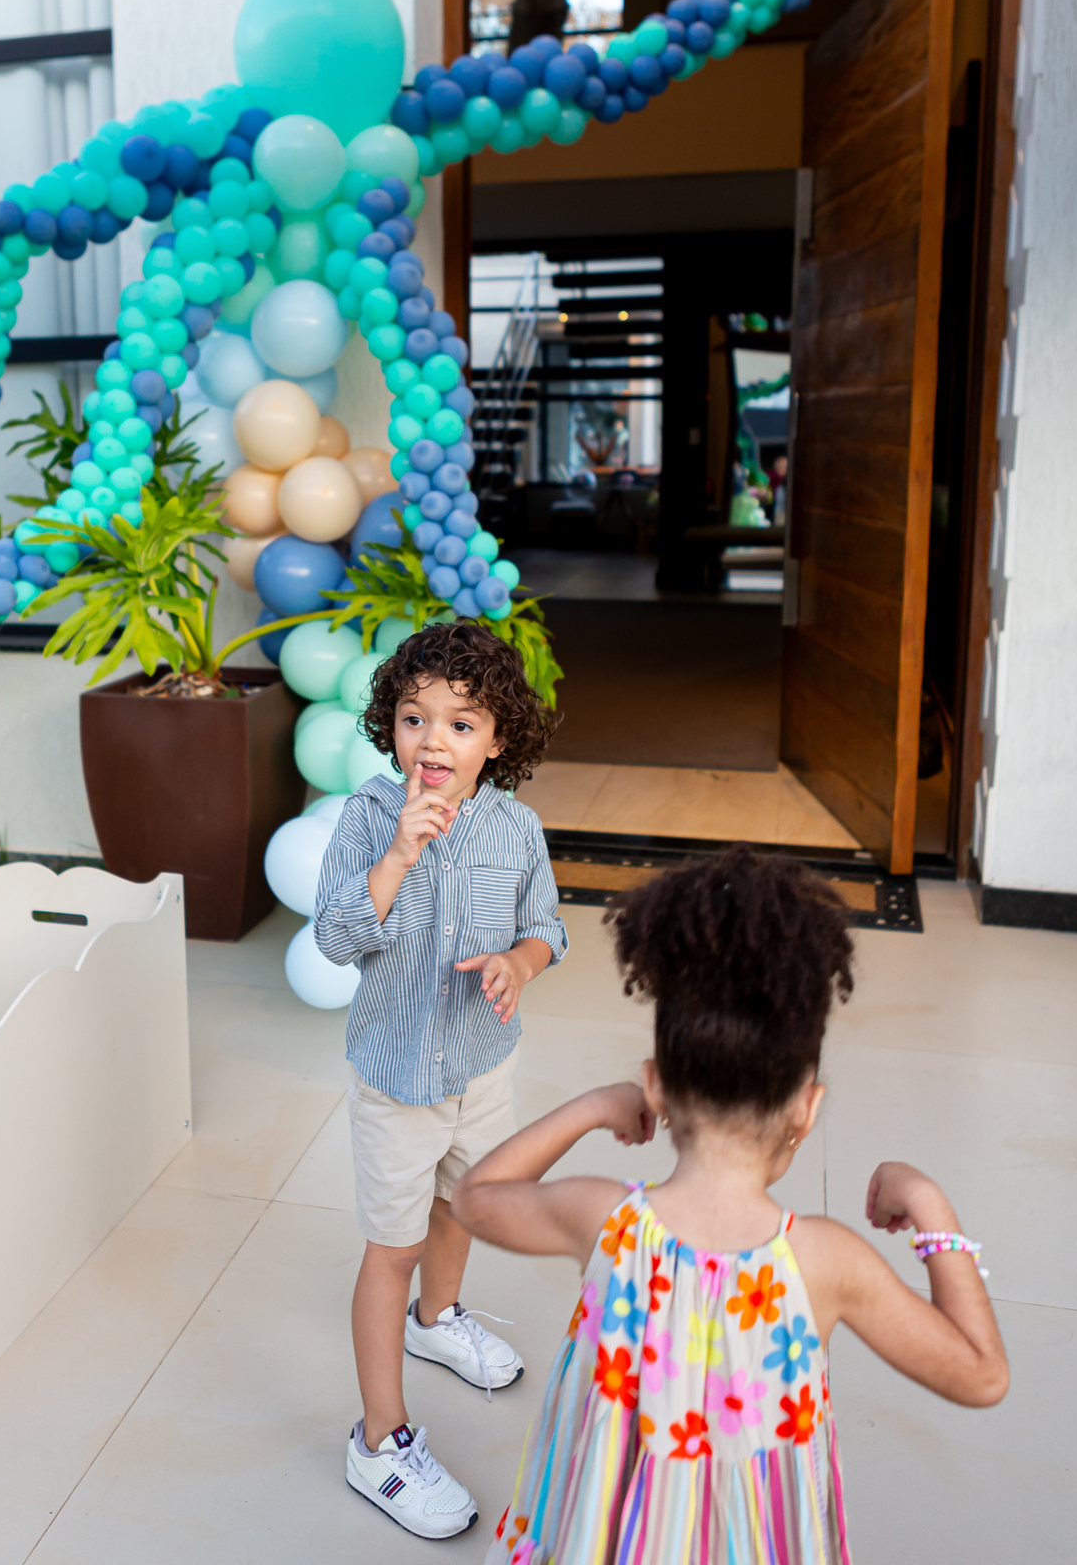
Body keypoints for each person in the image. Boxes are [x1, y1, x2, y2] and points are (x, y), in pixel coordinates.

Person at [453, 846, 1008, 1564]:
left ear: (655, 1084)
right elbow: (981, 1375)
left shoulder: (606, 1220)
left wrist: (591, 1107)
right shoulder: (826, 1261)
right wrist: (931, 1209)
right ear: (806, 1108)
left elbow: (475, 1198)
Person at [314, 621, 567, 1541]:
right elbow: (335, 938)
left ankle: (439, 1317)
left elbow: (548, 928)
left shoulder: (517, 826)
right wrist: (396, 857)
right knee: (393, 1245)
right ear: (390, 726)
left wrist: (518, 964)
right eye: (415, 718)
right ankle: (379, 1442)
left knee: (463, 1203)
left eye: (462, 724)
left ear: (497, 742)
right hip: (395, 1077)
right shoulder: (365, 819)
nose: (433, 741)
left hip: (480, 1066)